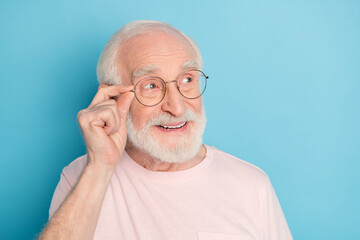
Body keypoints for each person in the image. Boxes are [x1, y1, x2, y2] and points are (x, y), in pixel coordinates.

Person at [38, 20, 292, 240]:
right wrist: (100, 167)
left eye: (187, 80)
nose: (177, 107)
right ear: (114, 98)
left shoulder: (251, 186)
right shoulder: (79, 178)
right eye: (150, 85)